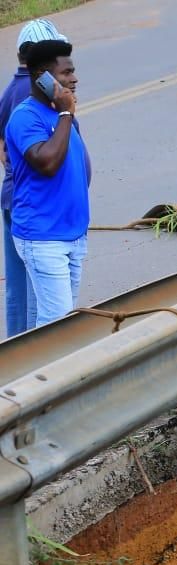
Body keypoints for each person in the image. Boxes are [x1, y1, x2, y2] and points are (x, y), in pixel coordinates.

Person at [5, 39, 89, 328]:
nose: (74, 78)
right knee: (58, 326)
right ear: (42, 76)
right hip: (43, 238)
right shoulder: (25, 117)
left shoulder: (58, 114)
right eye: (66, 73)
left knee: (54, 323)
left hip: (72, 235)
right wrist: (66, 113)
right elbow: (47, 163)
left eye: (73, 71)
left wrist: (64, 114)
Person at [0, 19, 67, 337]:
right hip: (31, 207)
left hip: (15, 199)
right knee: (34, 293)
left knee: (18, 285)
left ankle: (14, 353)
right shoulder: (27, 98)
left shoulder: (12, 92)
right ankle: (26, 355)